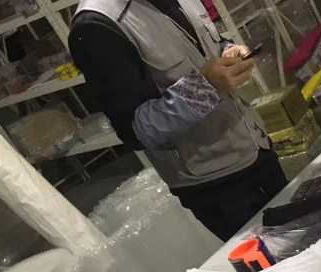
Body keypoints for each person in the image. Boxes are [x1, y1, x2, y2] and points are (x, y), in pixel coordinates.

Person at [69, 0, 287, 240]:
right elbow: (137, 131)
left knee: (305, 235)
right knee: (275, 258)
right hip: (219, 185)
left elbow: (205, 45)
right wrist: (205, 87)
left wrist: (229, 52)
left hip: (255, 147)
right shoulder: (96, 26)